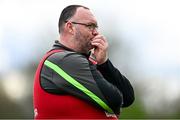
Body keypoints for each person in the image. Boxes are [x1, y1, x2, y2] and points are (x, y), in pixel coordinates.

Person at [33, 5, 134, 119]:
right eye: (90, 26)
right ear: (70, 27)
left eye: (96, 27)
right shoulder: (63, 60)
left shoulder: (85, 61)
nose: (96, 32)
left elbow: (128, 98)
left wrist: (104, 63)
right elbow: (114, 102)